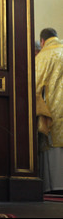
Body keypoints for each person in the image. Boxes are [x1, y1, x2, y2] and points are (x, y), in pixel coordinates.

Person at [36, 28, 63, 193]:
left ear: (42, 41)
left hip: (52, 111)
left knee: (53, 146)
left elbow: (35, 85)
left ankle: (54, 187)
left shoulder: (42, 56)